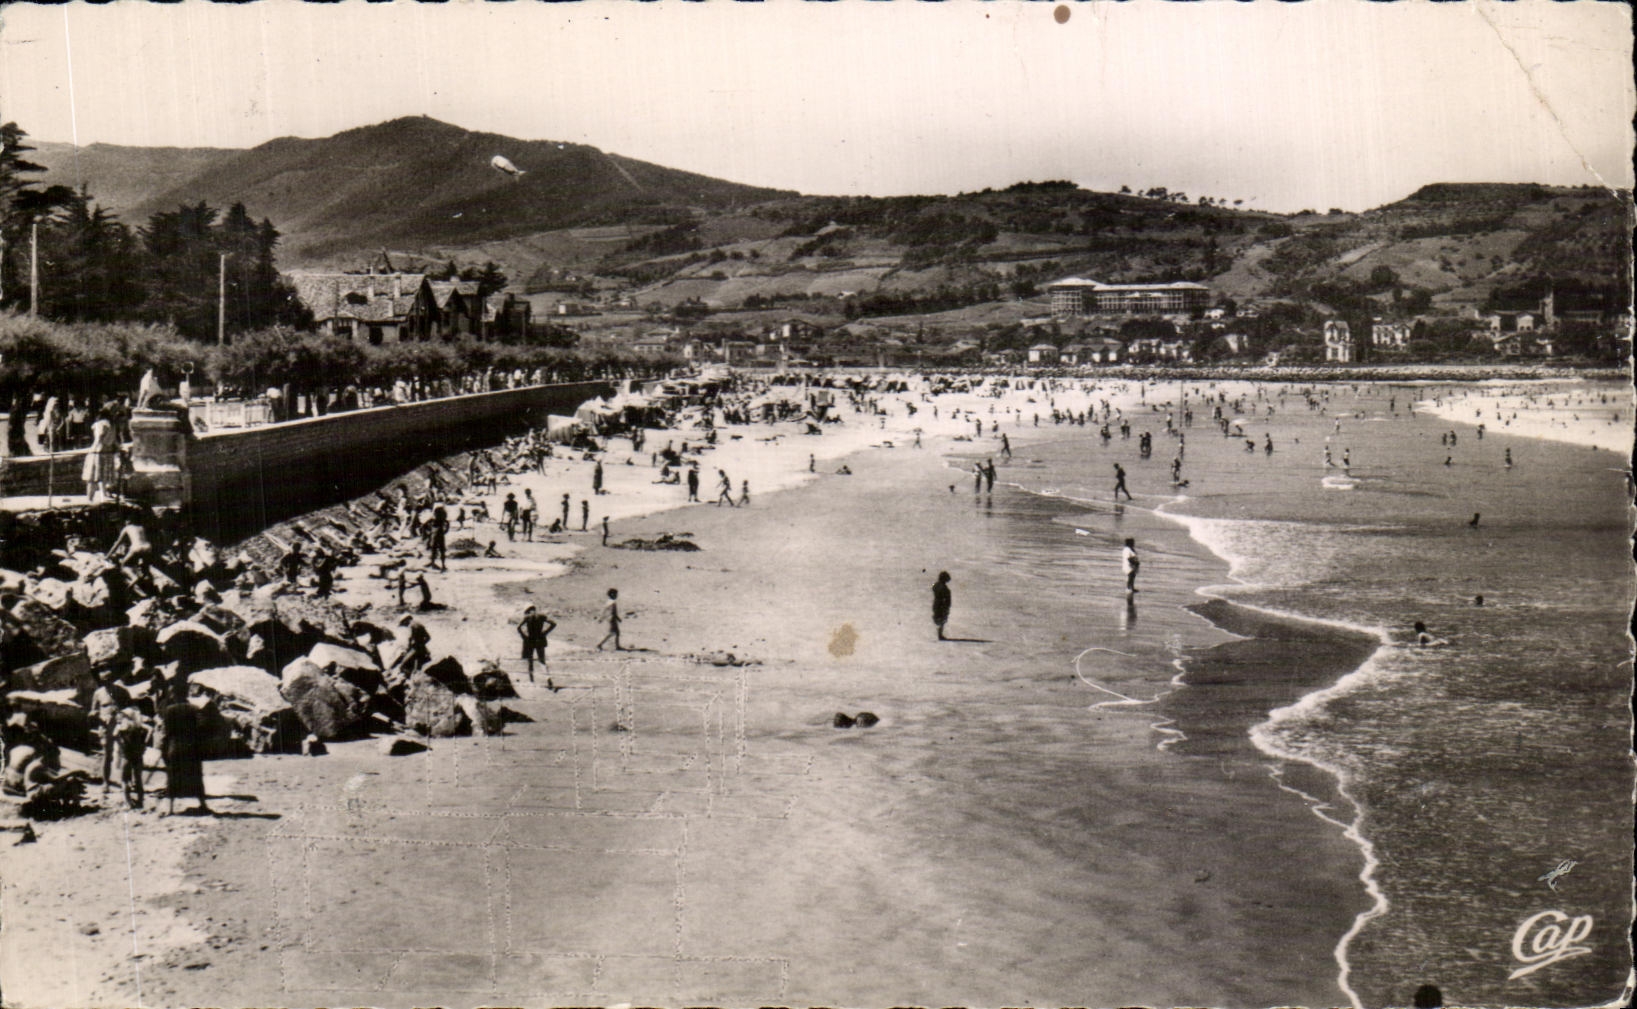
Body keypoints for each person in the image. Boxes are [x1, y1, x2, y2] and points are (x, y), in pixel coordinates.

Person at [159, 683, 210, 816]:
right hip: (191, 747)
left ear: (174, 695)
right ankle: (203, 805)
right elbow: (203, 726)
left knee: (172, 777)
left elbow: (166, 732)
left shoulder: (168, 710)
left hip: (174, 746)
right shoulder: (194, 708)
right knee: (196, 776)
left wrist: (163, 748)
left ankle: (170, 809)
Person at [82, 409, 120, 502]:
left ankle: (90, 499)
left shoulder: (100, 424)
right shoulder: (112, 425)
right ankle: (103, 497)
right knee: (104, 477)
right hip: (108, 452)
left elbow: (99, 437)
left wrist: (92, 450)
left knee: (92, 476)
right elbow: (114, 441)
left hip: (98, 452)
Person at [517, 605, 558, 681]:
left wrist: (524, 636)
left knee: (530, 661)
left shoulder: (527, 617)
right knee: (542, 660)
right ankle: (547, 678)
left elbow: (518, 627)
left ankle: (532, 680)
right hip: (540, 639)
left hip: (530, 640)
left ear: (529, 611)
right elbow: (553, 624)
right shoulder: (541, 616)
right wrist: (545, 632)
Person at [931, 571, 952, 641]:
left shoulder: (936, 585)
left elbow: (933, 587)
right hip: (942, 605)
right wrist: (947, 607)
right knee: (942, 620)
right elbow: (948, 600)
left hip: (936, 604)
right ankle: (939, 634)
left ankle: (938, 634)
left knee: (938, 618)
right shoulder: (945, 588)